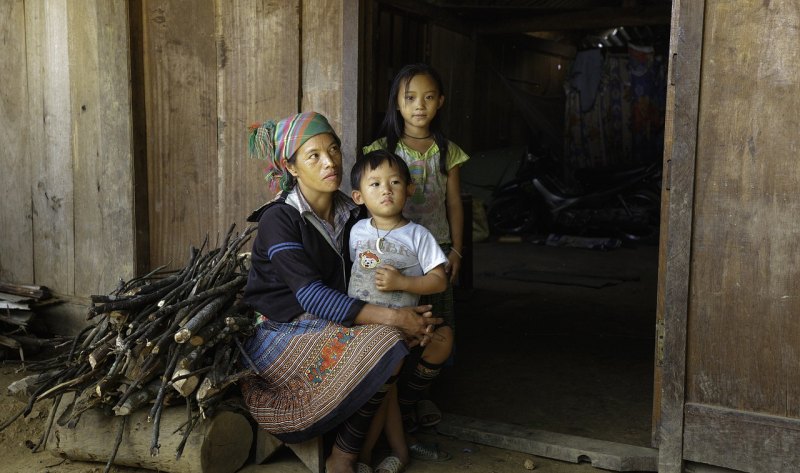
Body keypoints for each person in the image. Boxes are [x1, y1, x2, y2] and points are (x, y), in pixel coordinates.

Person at [240, 112, 441, 473]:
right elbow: (312, 297)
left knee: (398, 340)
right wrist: (396, 317)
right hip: (278, 332)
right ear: (292, 167)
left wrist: (409, 310)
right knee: (387, 339)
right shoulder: (279, 220)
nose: (330, 161)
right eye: (314, 155)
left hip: (331, 322)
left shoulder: (352, 215)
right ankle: (344, 458)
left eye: (333, 149)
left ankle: (354, 449)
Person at [363, 63, 470, 430]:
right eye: (410, 98)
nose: (419, 105)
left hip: (435, 252)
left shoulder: (448, 151)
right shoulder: (382, 149)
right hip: (394, 253)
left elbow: (455, 202)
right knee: (397, 327)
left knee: (435, 329)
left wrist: (456, 249)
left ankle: (415, 398)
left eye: (427, 97)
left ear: (440, 102)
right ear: (397, 103)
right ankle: (389, 399)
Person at [348, 150, 454, 472]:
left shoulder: (417, 235)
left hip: (402, 327)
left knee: (439, 342)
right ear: (358, 196)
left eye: (395, 182)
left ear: (409, 189)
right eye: (376, 184)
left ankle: (372, 454)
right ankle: (393, 450)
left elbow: (438, 280)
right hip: (364, 329)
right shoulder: (355, 233)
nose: (386, 190)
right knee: (385, 383)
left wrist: (403, 282)